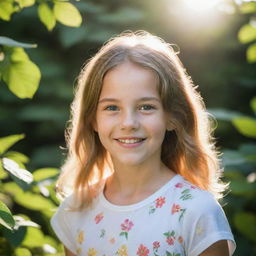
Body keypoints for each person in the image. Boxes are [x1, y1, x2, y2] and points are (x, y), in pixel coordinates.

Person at [50, 30, 236, 256]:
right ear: (93, 120)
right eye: (112, 108)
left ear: (172, 117)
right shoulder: (76, 210)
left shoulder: (196, 211)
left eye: (146, 107)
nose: (128, 123)